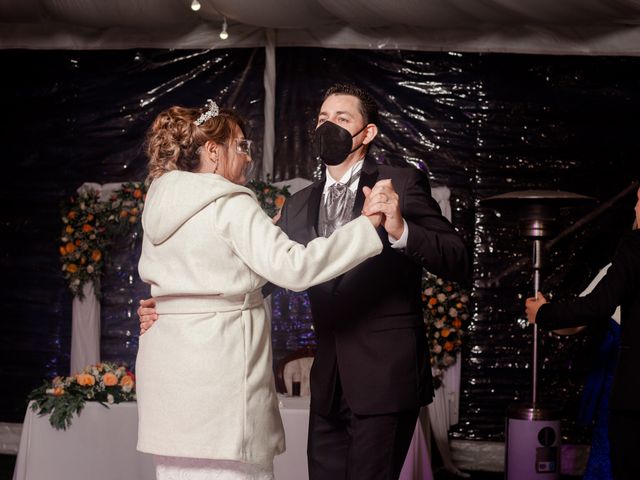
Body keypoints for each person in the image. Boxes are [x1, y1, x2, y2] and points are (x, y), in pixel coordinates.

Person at [139, 84, 470, 480]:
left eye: (342, 119)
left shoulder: (398, 184)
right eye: (322, 119)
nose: (328, 126)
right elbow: (271, 272)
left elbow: (459, 259)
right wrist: (178, 306)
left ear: (367, 134)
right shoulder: (297, 204)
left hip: (385, 380)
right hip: (327, 384)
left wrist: (399, 229)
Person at [526, 185, 640, 480]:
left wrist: (544, 314)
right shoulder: (617, 269)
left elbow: (592, 309)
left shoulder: (633, 250)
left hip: (630, 392)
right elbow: (582, 316)